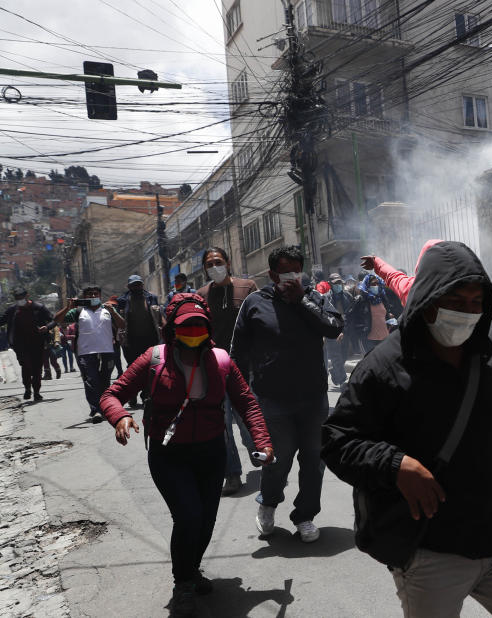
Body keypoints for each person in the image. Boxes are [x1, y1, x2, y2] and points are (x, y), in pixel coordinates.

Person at [322, 241, 492, 617]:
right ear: (429, 300)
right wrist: (395, 464)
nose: (467, 312)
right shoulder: (383, 366)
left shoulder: (486, 354)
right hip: (429, 551)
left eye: (475, 303)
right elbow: (338, 440)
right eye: (456, 302)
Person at [100, 293, 274, 617]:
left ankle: (191, 572)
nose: (194, 331)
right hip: (169, 455)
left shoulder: (222, 361)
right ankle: (183, 584)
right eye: (186, 326)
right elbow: (112, 394)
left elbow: (247, 402)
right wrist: (120, 416)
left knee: (206, 521)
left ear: (208, 328)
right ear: (171, 328)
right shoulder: (152, 358)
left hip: (211, 452)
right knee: (189, 516)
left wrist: (262, 441)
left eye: (199, 325)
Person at [232, 245, 343, 543]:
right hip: (271, 400)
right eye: (285, 272)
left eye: (296, 270)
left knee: (313, 459)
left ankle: (305, 515)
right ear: (272, 274)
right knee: (277, 460)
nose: (292, 277)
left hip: (313, 399)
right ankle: (268, 503)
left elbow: (333, 328)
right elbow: (238, 352)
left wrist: (301, 302)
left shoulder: (315, 298)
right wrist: (241, 396)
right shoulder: (255, 302)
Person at [195, 247, 259, 496]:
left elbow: (260, 322)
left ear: (228, 263)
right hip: (213, 369)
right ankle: (231, 474)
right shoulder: (201, 295)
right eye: (209, 264)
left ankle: (258, 451)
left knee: (246, 420)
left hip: (246, 368)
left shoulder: (248, 287)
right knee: (221, 425)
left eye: (218, 262)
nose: (214, 267)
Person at [54, 284, 126, 422]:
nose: (93, 296)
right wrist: (68, 307)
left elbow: (122, 325)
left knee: (105, 381)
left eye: (95, 294)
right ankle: (96, 410)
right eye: (89, 294)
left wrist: (114, 312)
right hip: (86, 352)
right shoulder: (78, 311)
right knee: (91, 381)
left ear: (100, 296)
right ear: (84, 297)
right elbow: (57, 319)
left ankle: (105, 407)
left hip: (107, 350)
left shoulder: (108, 309)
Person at [0, 287, 56, 401]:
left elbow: (53, 320)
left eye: (21, 296)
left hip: (38, 343)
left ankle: (36, 391)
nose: (19, 299)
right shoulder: (12, 310)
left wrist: (47, 327)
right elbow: (1, 320)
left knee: (37, 368)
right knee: (25, 366)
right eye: (17, 297)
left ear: (27, 295)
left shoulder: (39, 308)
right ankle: (27, 388)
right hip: (20, 344)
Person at [117, 275, 161, 406]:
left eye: (139, 285)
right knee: (133, 369)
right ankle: (132, 393)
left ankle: (147, 395)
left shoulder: (151, 298)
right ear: (129, 287)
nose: (137, 287)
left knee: (151, 368)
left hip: (151, 340)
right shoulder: (123, 300)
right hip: (131, 341)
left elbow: (159, 316)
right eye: (134, 285)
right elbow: (118, 320)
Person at [359, 239, 442, 307]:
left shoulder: (414, 288)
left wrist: (376, 262)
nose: (375, 286)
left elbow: (393, 276)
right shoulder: (454, 286)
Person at [348, 273, 402, 355]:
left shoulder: (382, 298)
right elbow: (350, 317)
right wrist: (360, 331)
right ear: (367, 285)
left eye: (377, 283)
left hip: (384, 337)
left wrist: (389, 320)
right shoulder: (361, 300)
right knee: (370, 363)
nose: (376, 286)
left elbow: (386, 314)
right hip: (369, 338)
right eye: (373, 284)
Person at [323, 273, 354, 390]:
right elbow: (323, 316)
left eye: (339, 283)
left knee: (344, 355)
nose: (338, 285)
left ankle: (335, 373)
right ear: (330, 284)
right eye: (335, 283)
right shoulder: (325, 298)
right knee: (336, 357)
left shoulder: (348, 296)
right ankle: (342, 381)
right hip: (332, 332)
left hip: (345, 330)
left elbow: (351, 314)